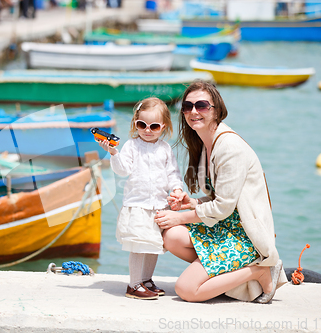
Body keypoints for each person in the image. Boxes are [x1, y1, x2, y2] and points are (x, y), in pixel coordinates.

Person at [154, 80, 287, 303]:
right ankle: (227, 278)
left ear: (217, 111)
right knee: (172, 236)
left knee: (186, 290)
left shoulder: (229, 147)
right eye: (188, 106)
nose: (193, 111)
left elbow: (224, 207)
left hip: (244, 235)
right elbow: (221, 198)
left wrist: (179, 216)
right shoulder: (205, 143)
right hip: (225, 226)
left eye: (202, 105)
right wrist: (192, 203)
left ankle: (260, 270)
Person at [97, 97, 184, 300]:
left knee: (153, 245)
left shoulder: (165, 148)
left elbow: (173, 173)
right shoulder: (131, 146)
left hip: (159, 206)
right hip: (137, 205)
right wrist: (113, 153)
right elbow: (122, 170)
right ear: (135, 123)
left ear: (163, 126)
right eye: (141, 125)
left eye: (154, 126)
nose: (147, 130)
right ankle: (134, 284)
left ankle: (146, 280)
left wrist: (177, 189)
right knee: (138, 246)